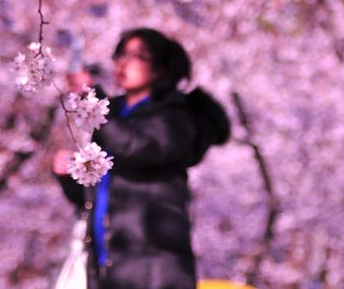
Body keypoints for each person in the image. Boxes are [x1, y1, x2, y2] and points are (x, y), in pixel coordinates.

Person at [53, 27, 231, 289]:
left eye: (137, 56)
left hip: (154, 270)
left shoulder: (174, 117)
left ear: (159, 68)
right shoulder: (114, 115)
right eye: (120, 55)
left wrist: (90, 97)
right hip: (106, 262)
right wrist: (70, 176)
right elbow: (94, 194)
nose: (123, 63)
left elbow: (136, 147)